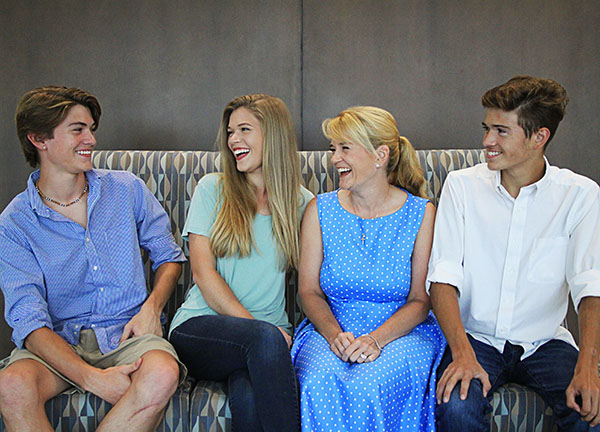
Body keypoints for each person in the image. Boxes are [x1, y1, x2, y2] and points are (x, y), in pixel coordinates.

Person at [0, 86, 187, 432]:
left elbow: (169, 256)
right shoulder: (14, 222)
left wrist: (151, 308)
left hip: (125, 336)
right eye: (78, 129)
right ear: (39, 139)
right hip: (58, 342)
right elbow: (28, 321)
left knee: (163, 372)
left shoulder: (126, 188)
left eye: (91, 128)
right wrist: (91, 378)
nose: (91, 139)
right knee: (11, 384)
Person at [428, 75, 600, 431]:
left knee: (591, 409)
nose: (487, 141)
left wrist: (588, 367)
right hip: (476, 338)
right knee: (456, 410)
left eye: (501, 131)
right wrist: (461, 353)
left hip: (545, 343)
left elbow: (589, 287)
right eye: (486, 128)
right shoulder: (462, 186)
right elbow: (442, 278)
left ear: (539, 137)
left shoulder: (580, 195)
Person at [291, 106, 446, 431]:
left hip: (401, 332)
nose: (335, 159)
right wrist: (334, 336)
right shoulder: (320, 209)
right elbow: (309, 291)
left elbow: (420, 299)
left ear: (380, 155)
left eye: (345, 148)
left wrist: (376, 339)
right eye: (334, 149)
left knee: (369, 386)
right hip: (331, 327)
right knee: (318, 382)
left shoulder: (422, 213)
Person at [169, 94, 312, 432]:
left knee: (248, 398)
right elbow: (203, 274)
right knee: (262, 346)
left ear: (273, 135)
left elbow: (316, 279)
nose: (233, 141)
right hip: (201, 328)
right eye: (231, 132)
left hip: (267, 341)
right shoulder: (212, 189)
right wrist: (261, 332)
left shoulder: (302, 203)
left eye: (244, 129)